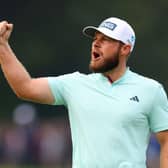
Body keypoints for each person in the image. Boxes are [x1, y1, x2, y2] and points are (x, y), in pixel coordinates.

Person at [0, 17, 168, 168]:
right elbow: (25, 87)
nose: (96, 43)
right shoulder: (75, 84)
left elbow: (166, 141)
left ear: (125, 49)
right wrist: (2, 46)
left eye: (105, 40)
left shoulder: (151, 90)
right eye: (95, 39)